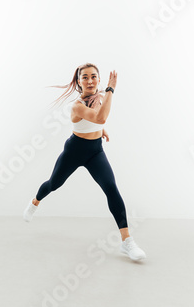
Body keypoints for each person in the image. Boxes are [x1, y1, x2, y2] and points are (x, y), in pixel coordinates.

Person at [23, 63, 146, 261]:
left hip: (95, 152)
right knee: (54, 184)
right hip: (74, 151)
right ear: (79, 82)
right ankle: (35, 202)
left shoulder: (99, 98)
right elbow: (100, 118)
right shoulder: (77, 105)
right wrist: (111, 89)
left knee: (111, 188)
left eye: (93, 76)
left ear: (98, 79)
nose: (90, 80)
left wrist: (100, 131)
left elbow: (97, 120)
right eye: (85, 77)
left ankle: (127, 241)